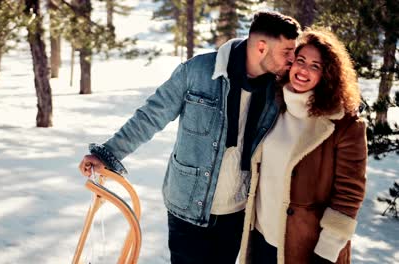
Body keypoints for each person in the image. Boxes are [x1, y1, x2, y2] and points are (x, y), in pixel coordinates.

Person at [79, 11, 301, 264]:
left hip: (237, 213)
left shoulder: (277, 90)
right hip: (188, 208)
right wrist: (107, 153)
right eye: (287, 51)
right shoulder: (198, 72)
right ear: (262, 47)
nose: (292, 60)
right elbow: (151, 116)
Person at [237, 29, 367, 264]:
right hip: (260, 240)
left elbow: (349, 195)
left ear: (327, 75)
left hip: (306, 249)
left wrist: (325, 254)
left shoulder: (345, 125)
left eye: (315, 66)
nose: (304, 71)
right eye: (301, 61)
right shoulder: (274, 105)